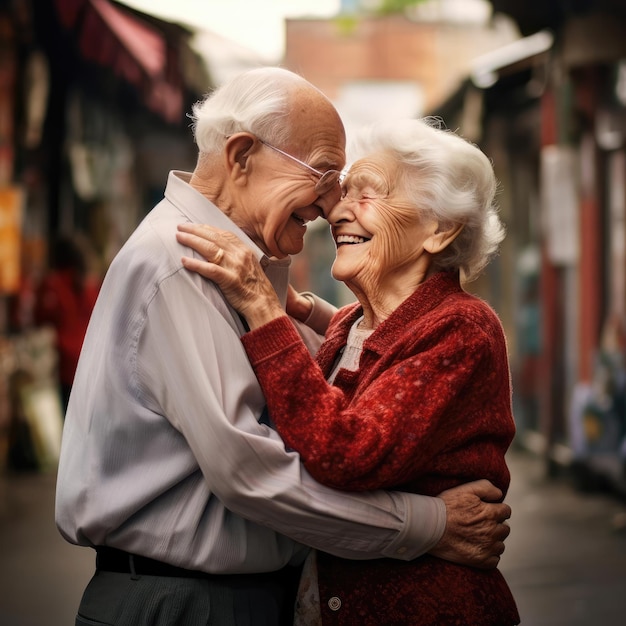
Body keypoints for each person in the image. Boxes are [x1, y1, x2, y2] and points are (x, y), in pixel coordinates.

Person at [55, 67, 512, 626]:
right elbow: (254, 472)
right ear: (242, 156)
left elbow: (357, 367)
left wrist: (284, 307)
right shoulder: (183, 264)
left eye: (355, 191)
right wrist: (430, 524)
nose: (330, 207)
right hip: (182, 599)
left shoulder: (246, 268)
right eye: (326, 178)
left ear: (438, 231)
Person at [176, 116, 520, 625]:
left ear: (439, 230)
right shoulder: (357, 323)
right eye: (342, 195)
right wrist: (299, 309)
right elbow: (376, 350)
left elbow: (347, 452)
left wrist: (264, 311)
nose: (336, 211)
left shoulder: (463, 329)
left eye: (368, 195)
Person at [34, 233, 101, 411]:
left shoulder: (52, 285)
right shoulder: (91, 286)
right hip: (89, 364)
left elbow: (39, 319)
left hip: (63, 367)